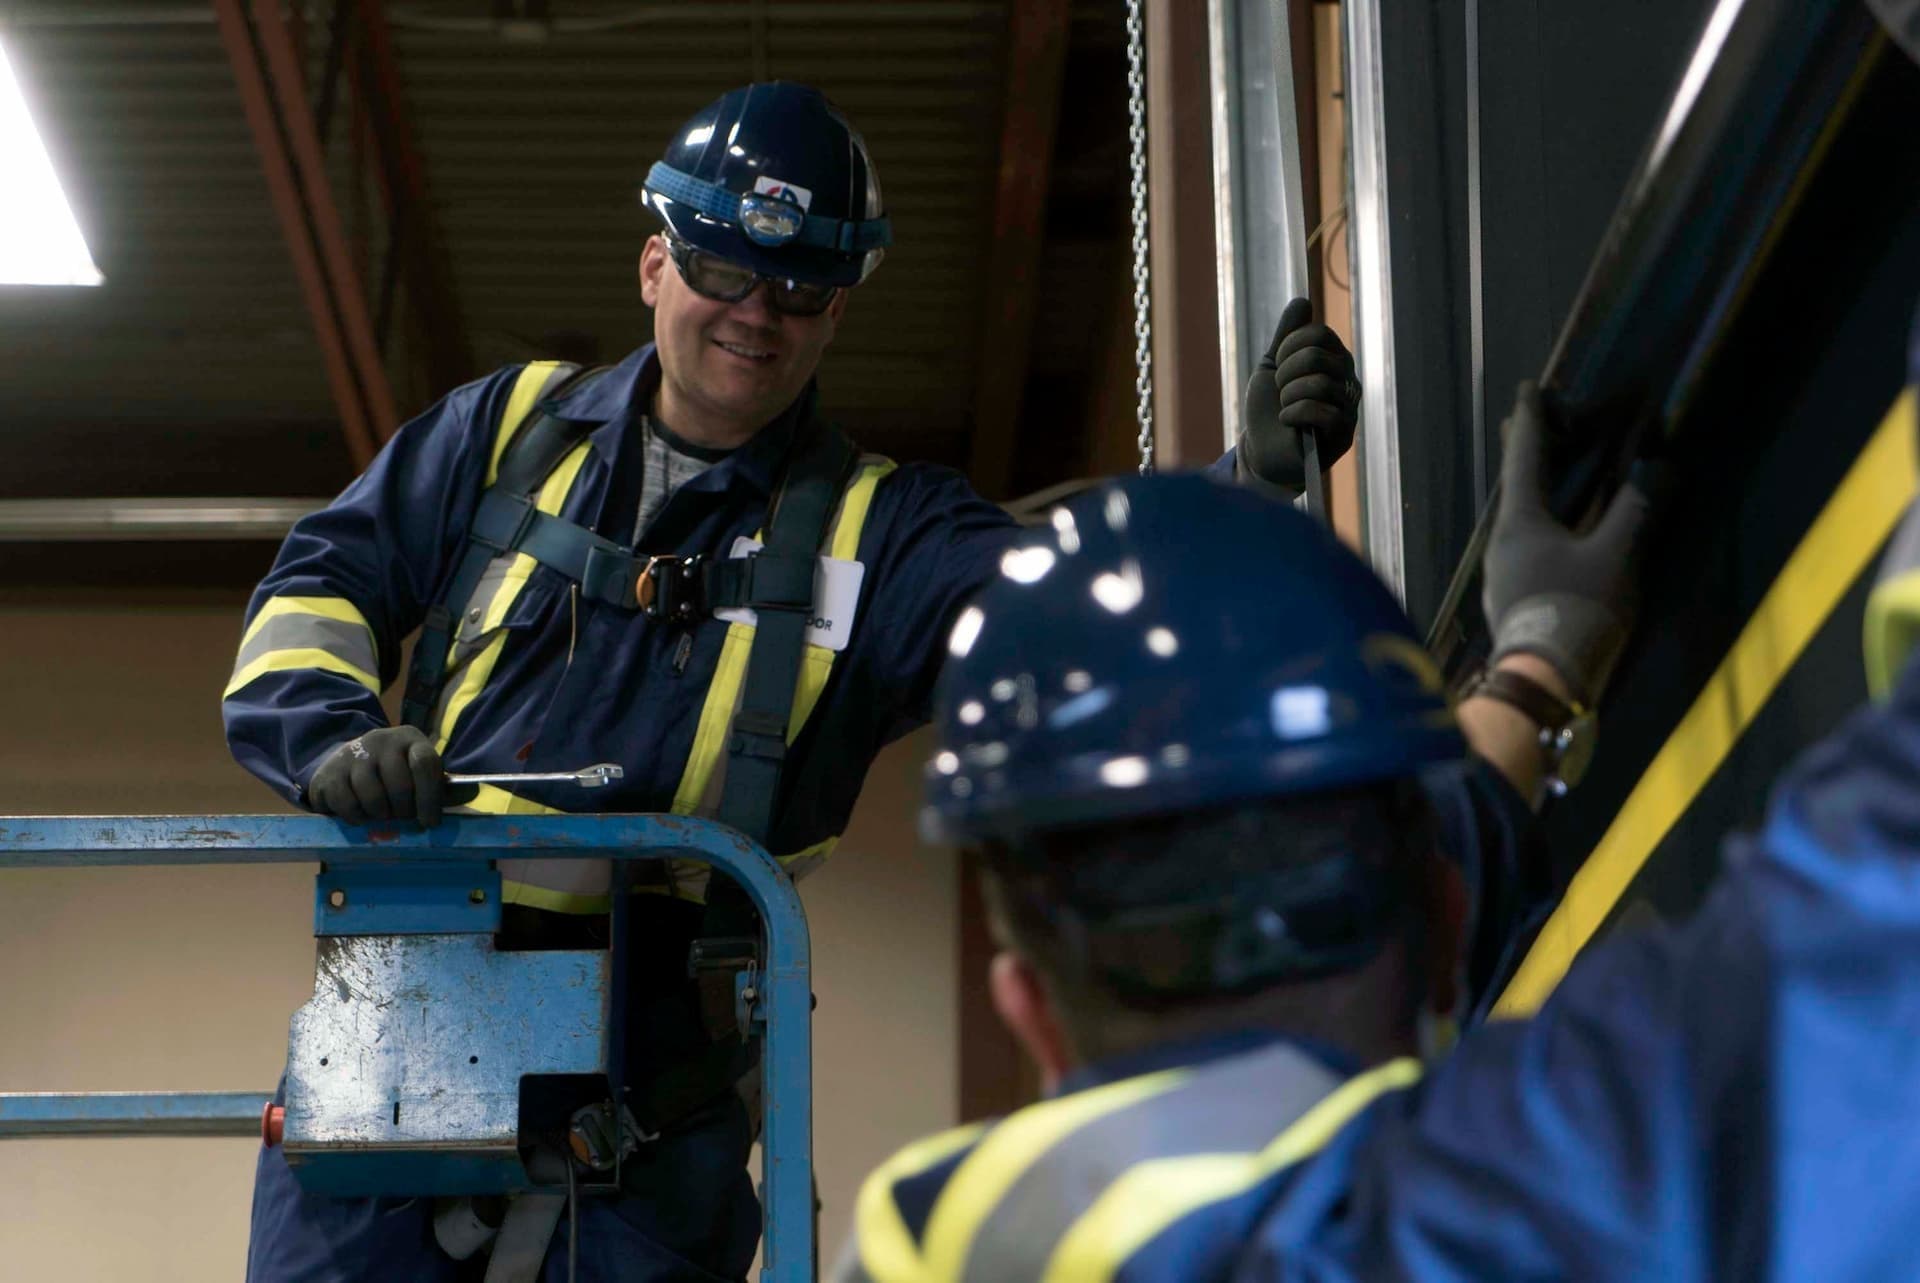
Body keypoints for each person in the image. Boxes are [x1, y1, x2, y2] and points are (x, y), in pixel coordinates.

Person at [222, 82, 1363, 1282]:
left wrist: (1240, 491)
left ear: (835, 310)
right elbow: (322, 583)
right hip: (406, 1002)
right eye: (723, 272)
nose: (756, 314)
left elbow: (1061, 612)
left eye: (800, 289)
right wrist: (333, 740)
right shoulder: (504, 433)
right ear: (656, 262)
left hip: (660, 1071)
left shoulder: (886, 531)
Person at [835, 365, 1920, 1281]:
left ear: (1029, 1009)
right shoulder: (1544, 1191)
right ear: (1450, 925)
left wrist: (1532, 675)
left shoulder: (927, 1246)